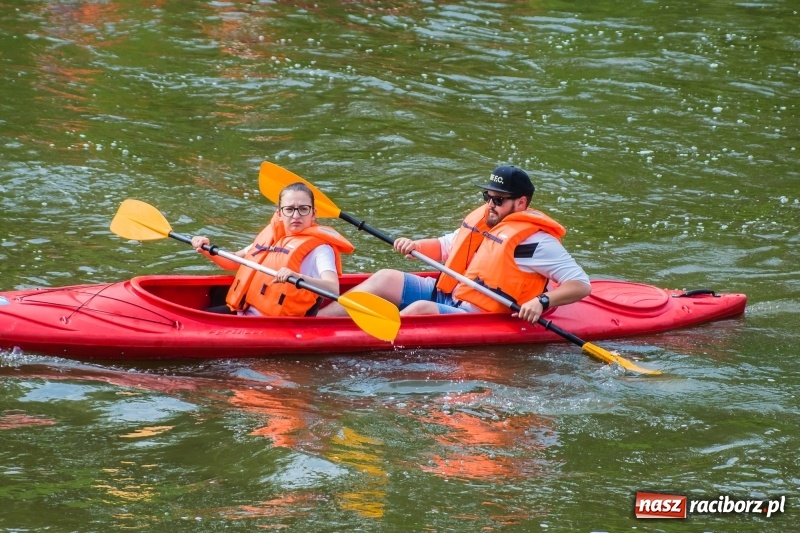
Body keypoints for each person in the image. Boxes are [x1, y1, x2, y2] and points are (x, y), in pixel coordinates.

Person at [317, 165, 591, 325]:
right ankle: (316, 323)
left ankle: (354, 339)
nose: (489, 205)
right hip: (450, 294)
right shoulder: (484, 220)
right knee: (384, 278)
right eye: (487, 196)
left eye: (498, 200)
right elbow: (448, 245)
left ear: (520, 203)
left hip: (476, 315)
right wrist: (416, 245)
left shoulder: (535, 243)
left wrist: (542, 301)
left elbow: (580, 284)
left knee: (421, 310)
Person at [191, 182, 354, 316]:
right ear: (280, 214)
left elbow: (333, 289)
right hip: (243, 312)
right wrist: (206, 248)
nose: (296, 216)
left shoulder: (320, 249)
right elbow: (233, 262)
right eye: (289, 209)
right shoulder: (273, 237)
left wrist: (297, 277)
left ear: (313, 214)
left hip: (277, 323)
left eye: (303, 209)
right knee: (198, 316)